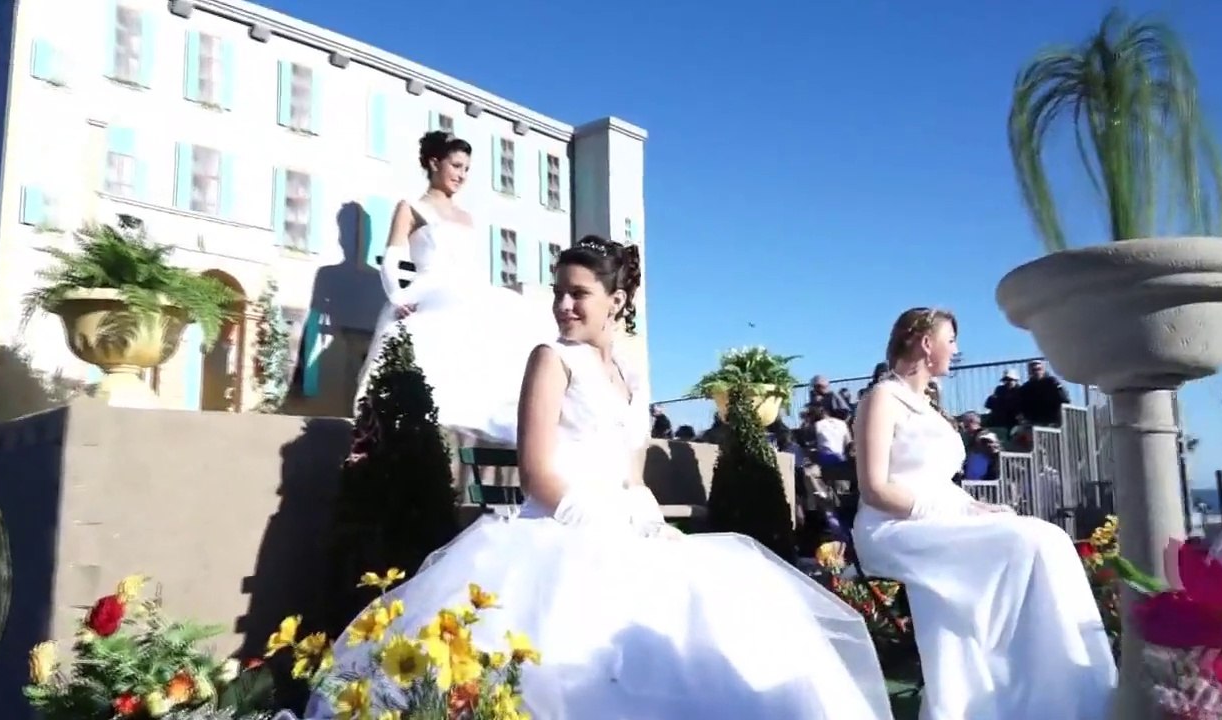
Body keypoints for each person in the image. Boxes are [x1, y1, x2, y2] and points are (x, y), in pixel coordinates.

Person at [310, 237, 892, 720]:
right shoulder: (550, 358)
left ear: (615, 300)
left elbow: (631, 473)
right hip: (559, 527)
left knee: (735, 604)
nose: (564, 305)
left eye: (578, 294)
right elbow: (539, 473)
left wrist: (644, 517)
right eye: (559, 292)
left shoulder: (632, 376)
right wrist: (602, 521)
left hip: (623, 521)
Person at [851, 307, 1115, 720]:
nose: (956, 351)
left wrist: (976, 507)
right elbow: (875, 488)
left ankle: (1050, 688)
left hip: (938, 517)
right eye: (950, 340)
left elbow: (939, 483)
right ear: (926, 342)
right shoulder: (883, 398)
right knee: (1031, 541)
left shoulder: (928, 406)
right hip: (893, 527)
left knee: (1045, 537)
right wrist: (953, 513)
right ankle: (998, 695)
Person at [352, 130, 557, 442]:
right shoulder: (411, 207)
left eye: (466, 169)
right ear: (435, 163)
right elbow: (393, 257)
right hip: (429, 289)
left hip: (469, 290)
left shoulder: (467, 217)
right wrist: (397, 297)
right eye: (457, 166)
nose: (462, 175)